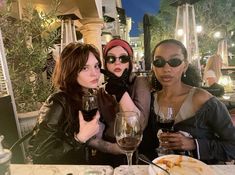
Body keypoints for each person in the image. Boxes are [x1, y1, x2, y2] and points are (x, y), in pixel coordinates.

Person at [28, 42, 121, 164]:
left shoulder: (89, 95)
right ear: (71, 70)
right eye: (84, 68)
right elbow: (39, 156)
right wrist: (79, 138)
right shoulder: (57, 102)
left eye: (96, 66)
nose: (95, 73)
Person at [150, 39, 235, 164]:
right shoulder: (150, 100)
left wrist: (194, 144)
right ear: (153, 67)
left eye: (174, 61)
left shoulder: (203, 100)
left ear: (185, 66)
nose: (166, 68)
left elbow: (232, 146)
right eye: (159, 62)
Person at [97, 38, 151, 166]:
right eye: (111, 59)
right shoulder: (100, 92)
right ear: (105, 63)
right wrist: (111, 148)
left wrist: (121, 93)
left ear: (130, 62)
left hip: (135, 151)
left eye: (123, 58)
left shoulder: (140, 82)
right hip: (107, 153)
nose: (117, 63)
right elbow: (94, 135)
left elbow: (140, 124)